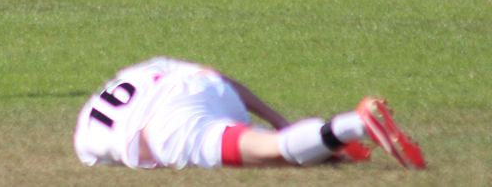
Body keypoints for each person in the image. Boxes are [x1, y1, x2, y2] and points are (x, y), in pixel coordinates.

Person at [74, 57, 425, 170]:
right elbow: (213, 75)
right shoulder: (143, 69)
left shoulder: (83, 138)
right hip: (207, 92)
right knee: (274, 142)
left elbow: (110, 155)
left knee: (272, 152)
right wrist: (277, 118)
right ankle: (327, 143)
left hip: (166, 127)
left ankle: (354, 124)